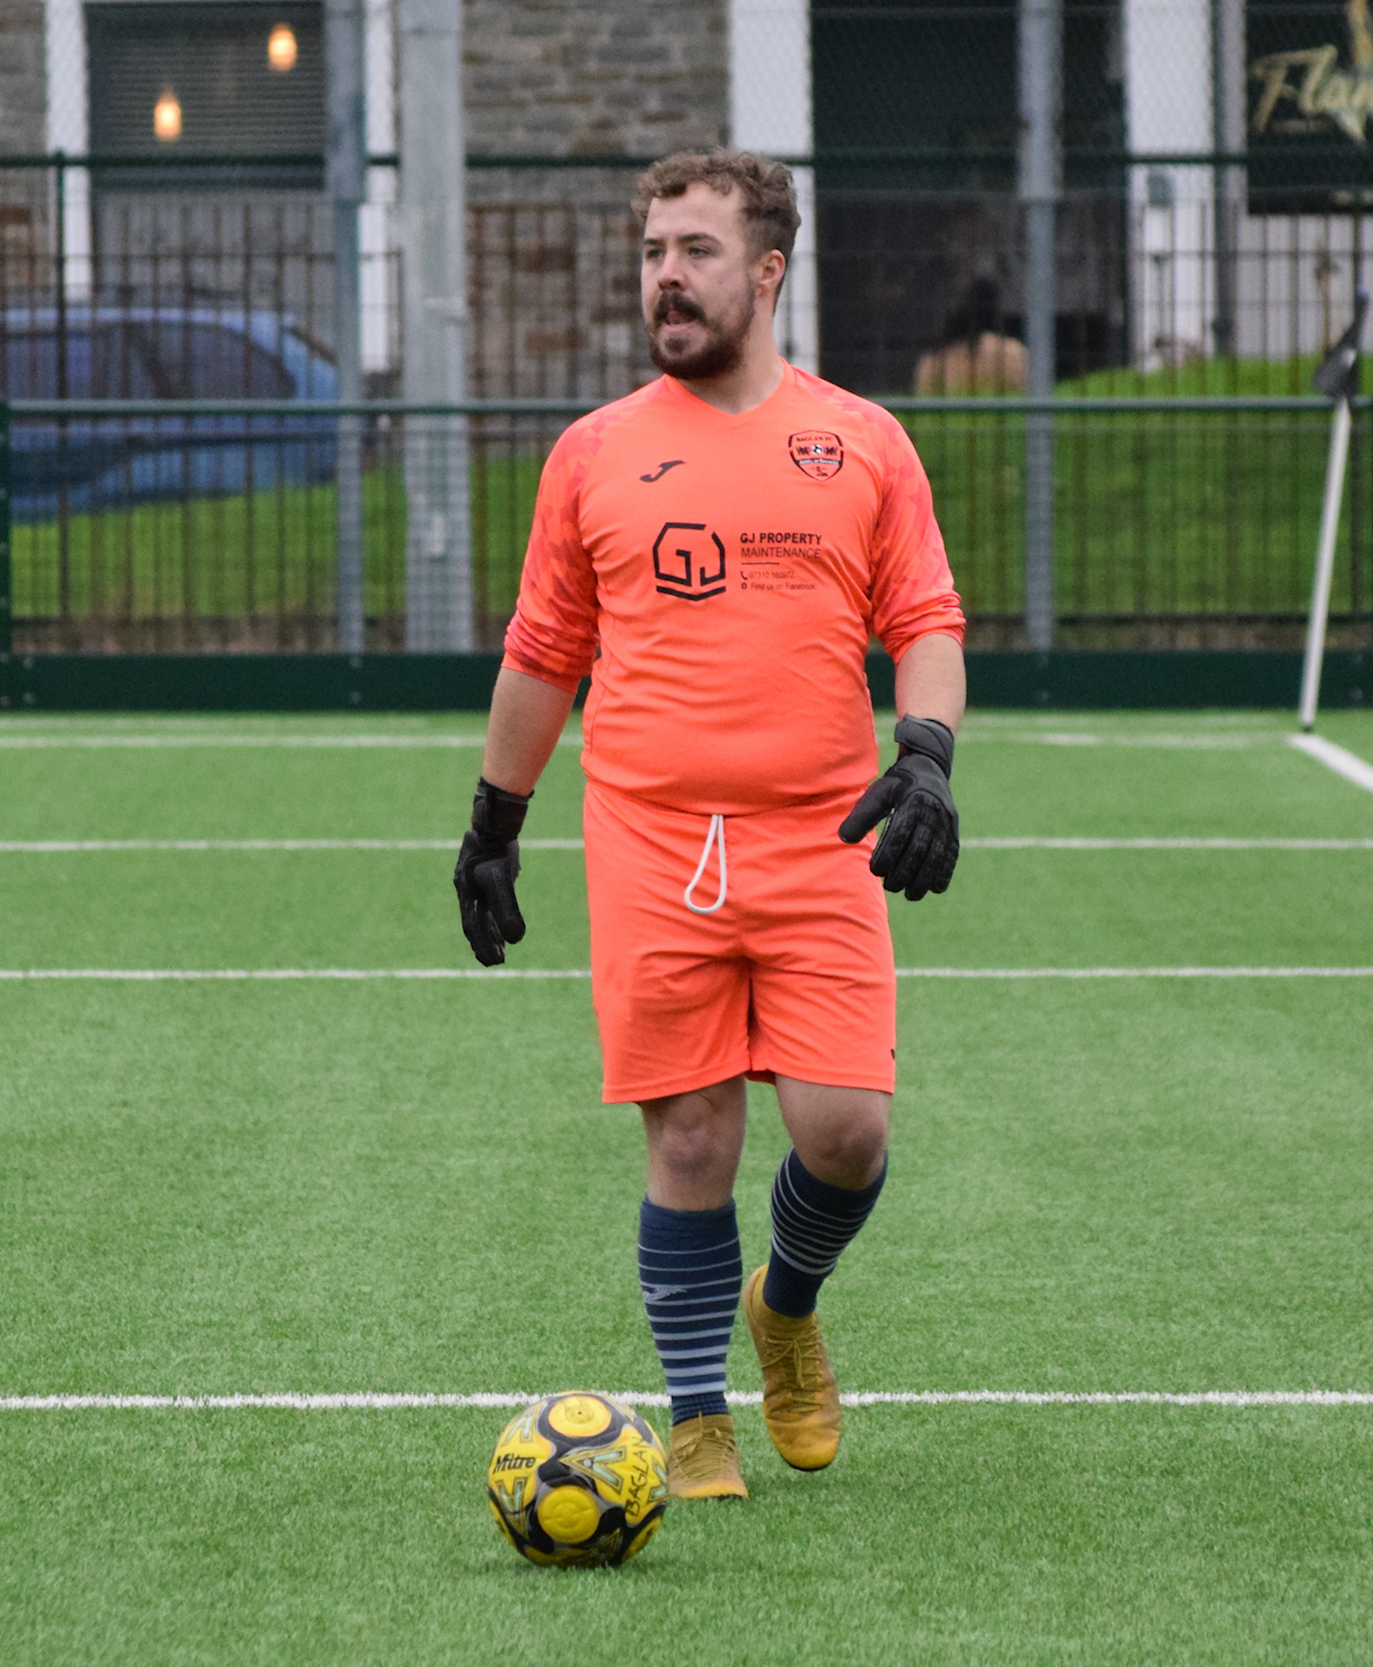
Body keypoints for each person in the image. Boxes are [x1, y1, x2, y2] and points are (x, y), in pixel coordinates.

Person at [453, 149, 967, 1501]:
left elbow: (925, 620)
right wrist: (495, 821)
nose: (665, 278)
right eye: (652, 254)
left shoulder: (861, 442)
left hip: (822, 837)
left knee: (846, 1133)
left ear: (770, 271)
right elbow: (542, 651)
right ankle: (696, 1417)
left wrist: (925, 757)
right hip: (651, 839)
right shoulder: (594, 453)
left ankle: (783, 1306)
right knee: (689, 1136)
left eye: (696, 251)